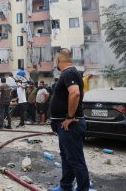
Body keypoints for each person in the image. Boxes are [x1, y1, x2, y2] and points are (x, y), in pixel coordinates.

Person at [48, 49, 90, 191]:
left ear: (59, 61)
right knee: (67, 157)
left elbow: (75, 93)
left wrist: (70, 117)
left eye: (56, 62)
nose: (56, 64)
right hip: (64, 125)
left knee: (75, 160)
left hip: (71, 125)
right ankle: (65, 186)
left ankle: (82, 188)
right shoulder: (70, 73)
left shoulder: (69, 72)